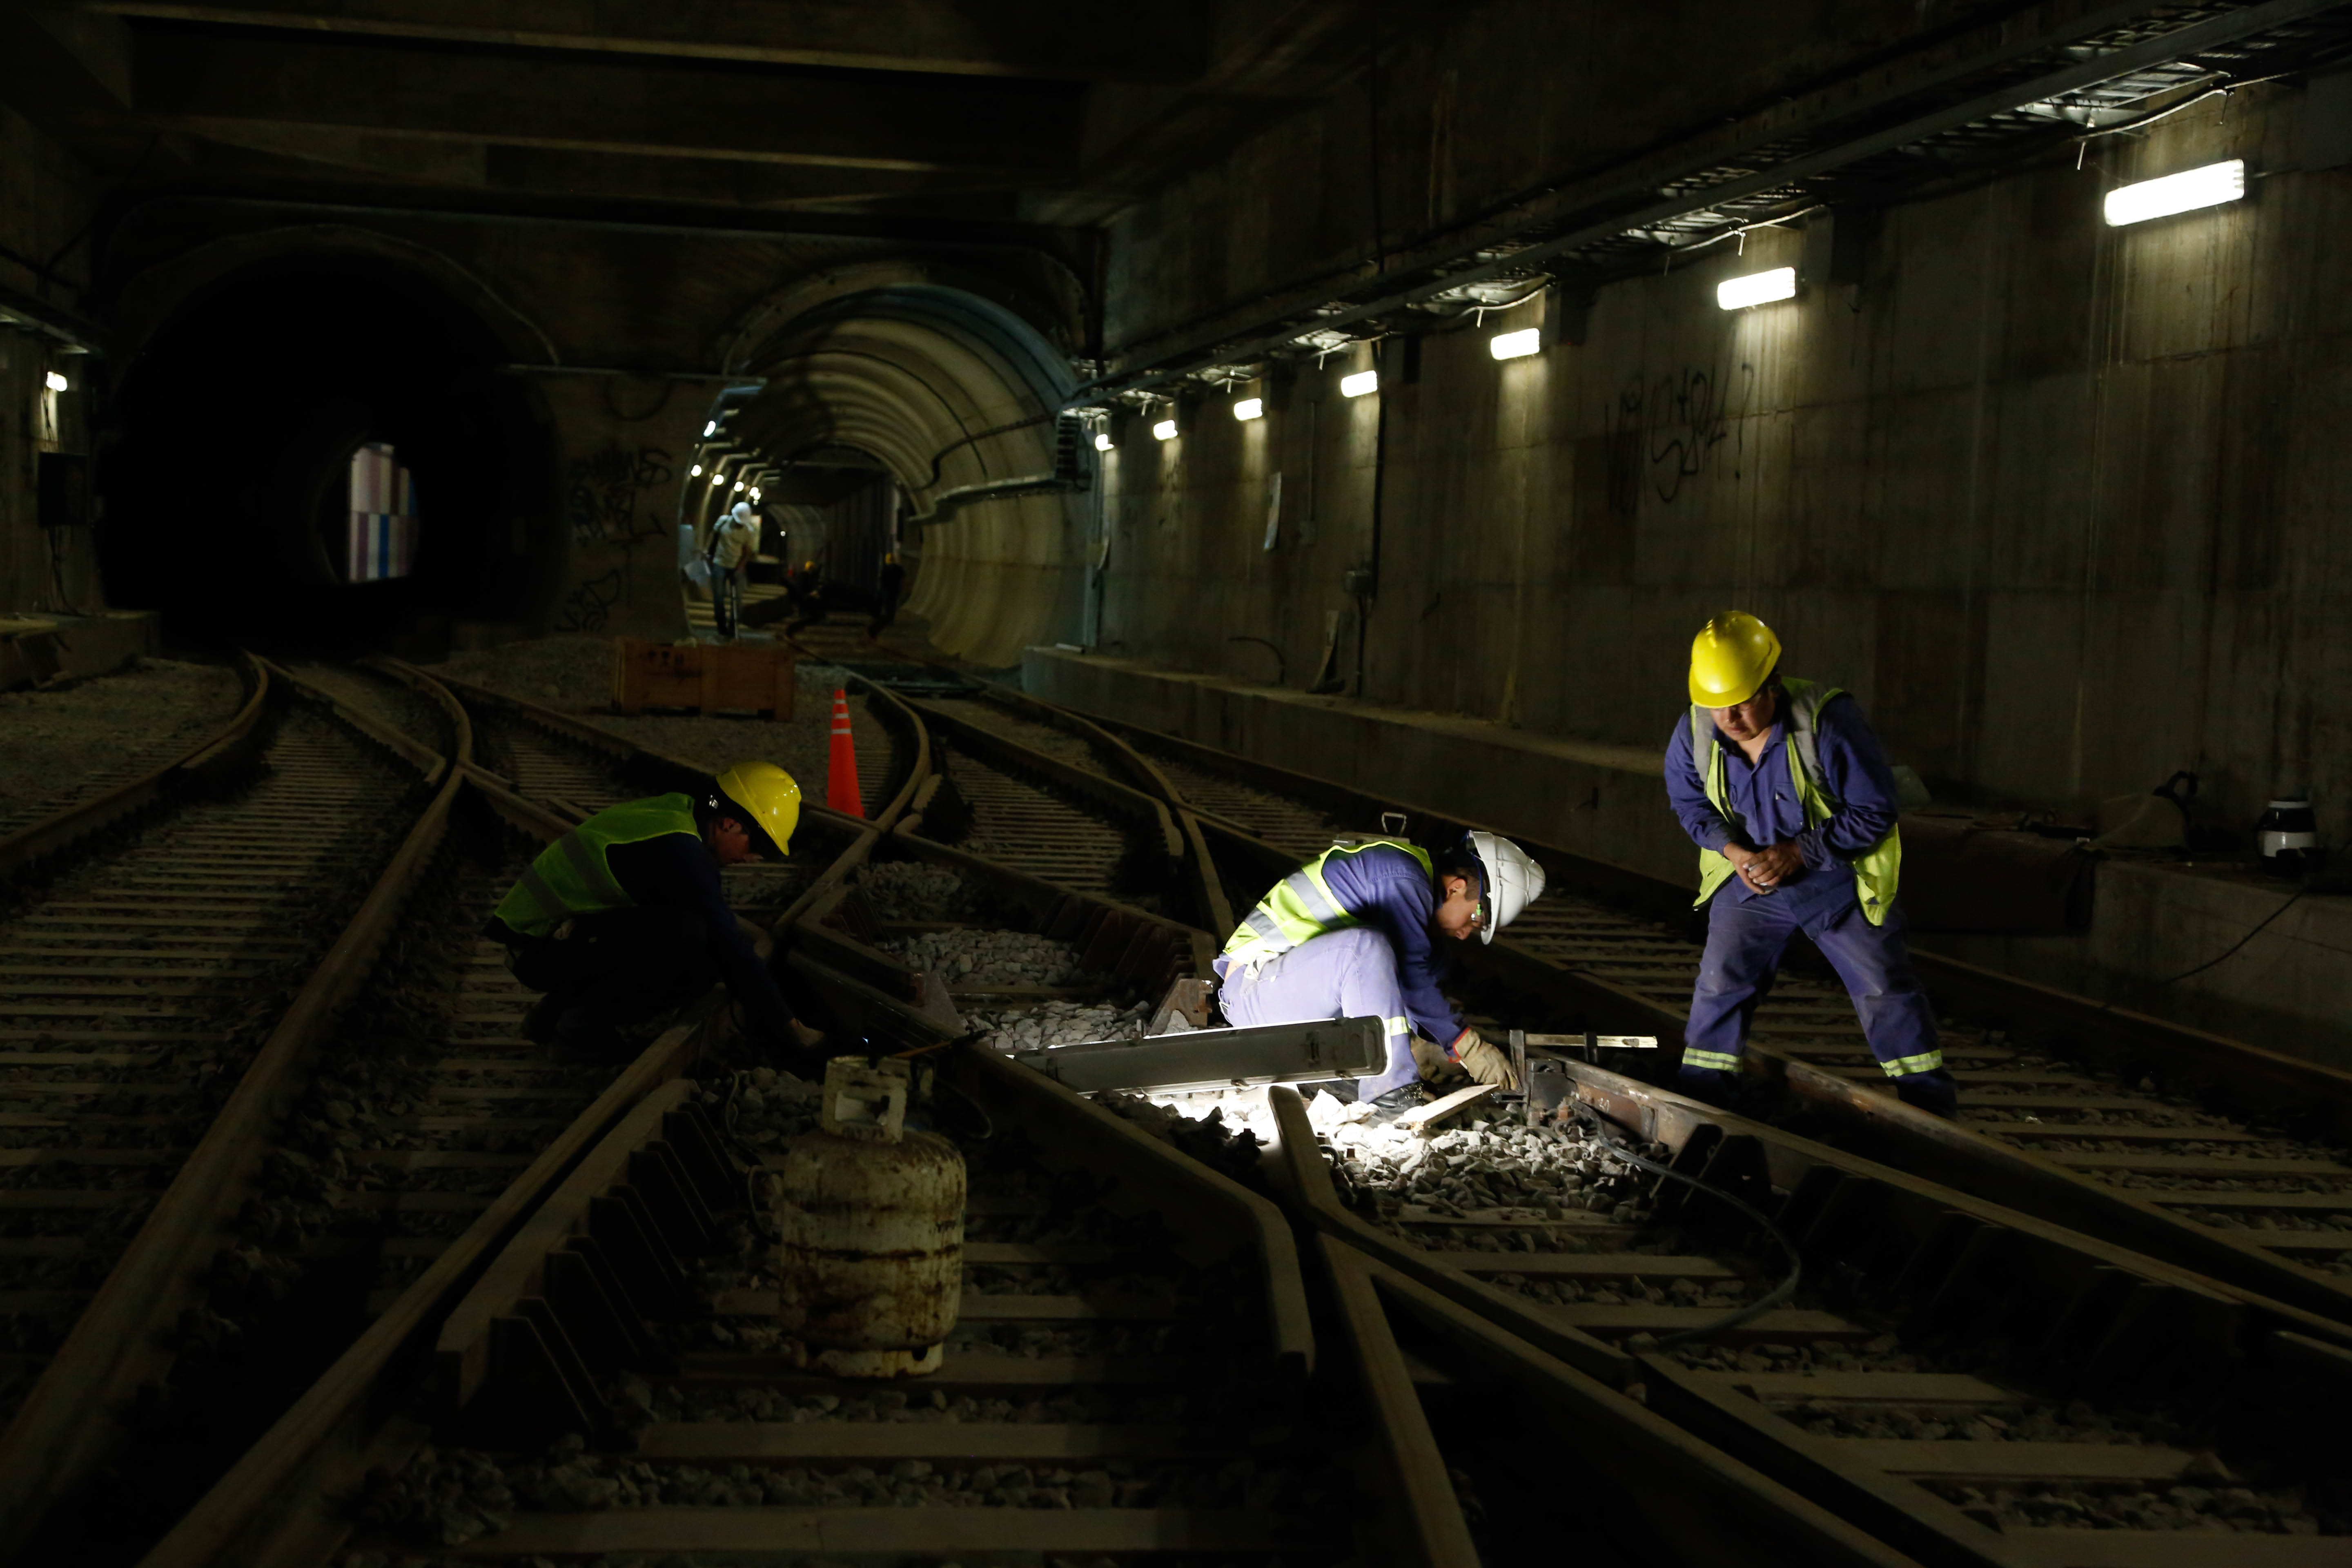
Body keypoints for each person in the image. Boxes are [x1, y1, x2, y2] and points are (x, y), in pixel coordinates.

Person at [1663, 610, 1956, 1118]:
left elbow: (1875, 810)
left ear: (1773, 684)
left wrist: (1799, 852)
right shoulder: (1695, 730)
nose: (1729, 718)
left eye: (1742, 702)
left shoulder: (1827, 722)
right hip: (1751, 882)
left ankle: (1931, 1112)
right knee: (1720, 985)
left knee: (1884, 989)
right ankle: (1702, 1102)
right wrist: (1734, 852)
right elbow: (1691, 805)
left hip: (1835, 880)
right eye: (1717, 705)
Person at [491, 760, 827, 1063]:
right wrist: (791, 1027)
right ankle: (577, 1034)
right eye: (759, 846)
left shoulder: (680, 812)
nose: (754, 859)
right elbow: (730, 948)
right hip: (537, 949)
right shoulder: (684, 853)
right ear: (728, 824)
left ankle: (551, 1017)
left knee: (695, 945)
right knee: (689, 937)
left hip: (550, 940)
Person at [1215, 829, 1545, 1118]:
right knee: (1363, 948)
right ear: (1456, 889)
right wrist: (1468, 1047)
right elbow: (1411, 979)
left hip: (1286, 992)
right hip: (1252, 992)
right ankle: (1389, 1096)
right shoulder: (1402, 879)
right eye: (1475, 920)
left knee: (1425, 958)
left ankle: (1385, 1068)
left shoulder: (1412, 881)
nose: (1464, 934)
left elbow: (1408, 978)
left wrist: (1421, 1042)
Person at [707, 501, 761, 639]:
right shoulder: (723, 522)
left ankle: (733, 627)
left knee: (737, 600)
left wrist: (740, 568)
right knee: (718, 597)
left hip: (736, 566)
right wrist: (708, 554)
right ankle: (721, 627)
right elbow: (714, 538)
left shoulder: (749, 531)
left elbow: (747, 553)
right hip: (719, 563)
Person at [866, 552, 906, 641]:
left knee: (888, 611)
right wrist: (901, 590)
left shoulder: (886, 568)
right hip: (893, 592)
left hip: (887, 592)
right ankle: (873, 630)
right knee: (890, 613)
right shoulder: (898, 569)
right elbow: (902, 580)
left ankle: (873, 630)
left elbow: (882, 580)